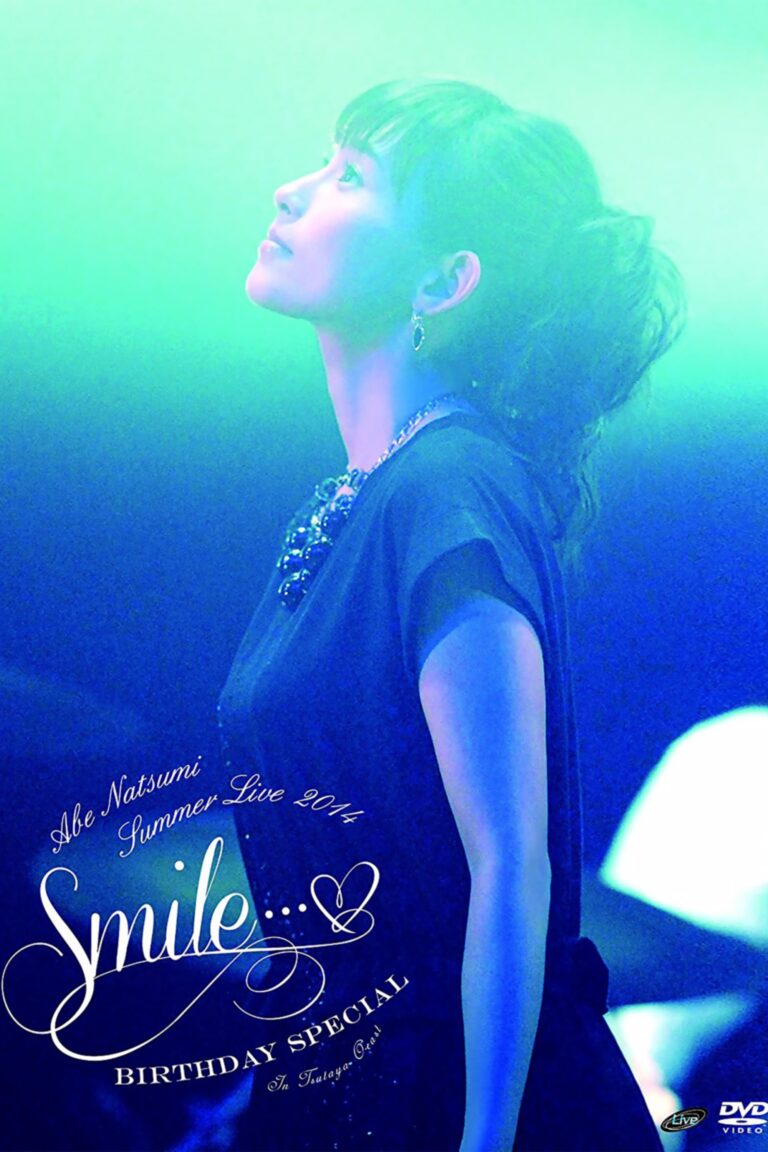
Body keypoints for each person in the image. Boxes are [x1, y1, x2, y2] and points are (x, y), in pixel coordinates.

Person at [217, 77, 685, 1152]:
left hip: (450, 1093)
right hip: (344, 1083)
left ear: (444, 278)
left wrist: (485, 1137)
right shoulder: (368, 495)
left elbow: (510, 862)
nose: (292, 191)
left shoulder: (448, 485)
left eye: (350, 176)